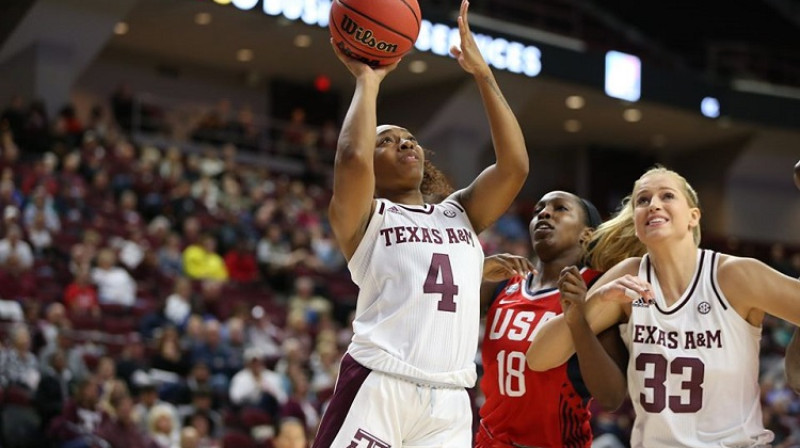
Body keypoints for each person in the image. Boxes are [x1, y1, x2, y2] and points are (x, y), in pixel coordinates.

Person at [311, 0, 530, 446]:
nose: (403, 144)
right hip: (380, 383)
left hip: (450, 399)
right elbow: (352, 157)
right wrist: (368, 81)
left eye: (409, 139)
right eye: (386, 142)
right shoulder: (366, 217)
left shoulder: (459, 211)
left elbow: (514, 167)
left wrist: (483, 75)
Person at [527, 166, 800, 448]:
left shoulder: (734, 276)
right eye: (642, 201)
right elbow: (538, 358)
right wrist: (596, 301)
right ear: (636, 222)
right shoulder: (628, 277)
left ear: (693, 217)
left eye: (667, 196)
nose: (653, 204)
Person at [476, 191, 628, 448]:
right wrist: (475, 270)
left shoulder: (594, 289)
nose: (544, 213)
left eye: (560, 209)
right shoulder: (502, 282)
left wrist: (578, 319)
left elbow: (612, 397)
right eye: (538, 211)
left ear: (587, 234)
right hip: (488, 441)